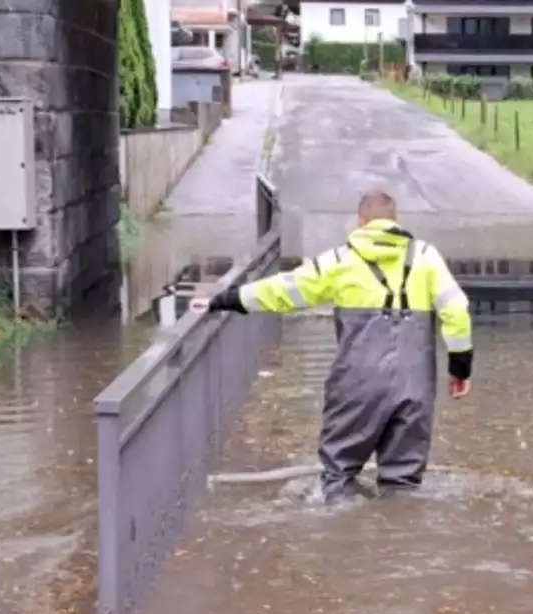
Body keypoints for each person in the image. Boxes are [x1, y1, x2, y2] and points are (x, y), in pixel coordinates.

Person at [190, 189, 473, 503]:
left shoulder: (340, 260)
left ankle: (338, 537)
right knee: (403, 482)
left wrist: (224, 299)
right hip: (414, 387)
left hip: (357, 385)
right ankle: (398, 540)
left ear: (360, 221)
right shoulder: (425, 257)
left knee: (338, 474)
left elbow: (284, 289)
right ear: (395, 221)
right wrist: (460, 367)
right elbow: (456, 308)